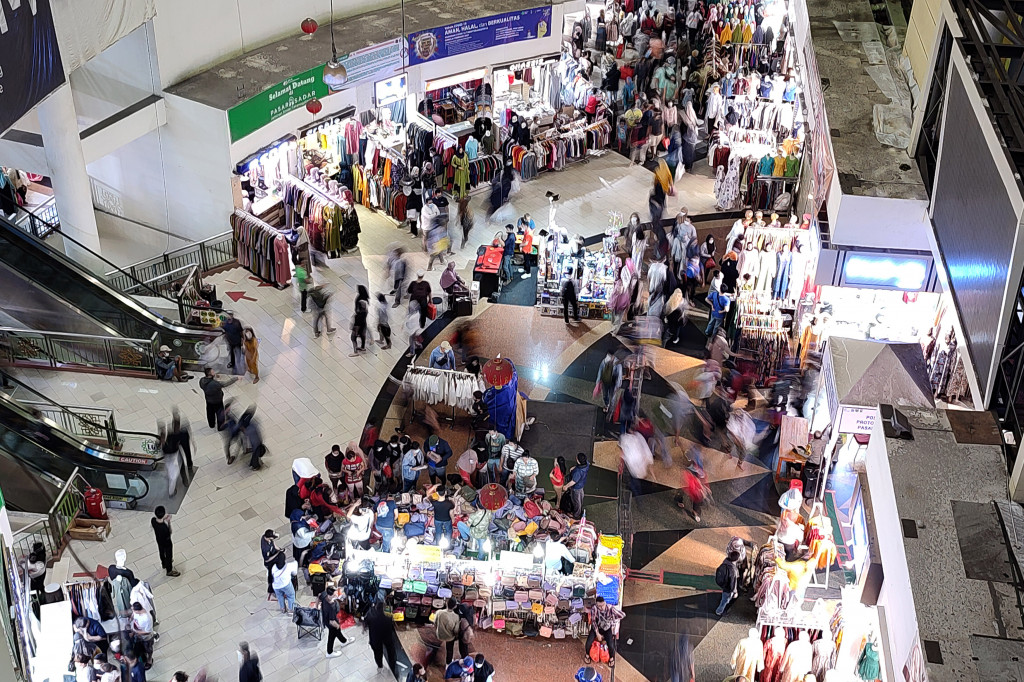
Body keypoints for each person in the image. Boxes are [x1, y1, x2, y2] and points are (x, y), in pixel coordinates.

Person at [585, 597, 624, 666]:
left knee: (611, 645)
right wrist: (597, 633)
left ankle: (611, 658)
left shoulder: (610, 608)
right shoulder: (595, 608)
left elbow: (622, 615)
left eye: (603, 605)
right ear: (596, 605)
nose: (601, 608)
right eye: (599, 606)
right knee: (588, 642)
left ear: (605, 603)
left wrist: (613, 620)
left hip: (607, 628)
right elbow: (593, 622)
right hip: (597, 627)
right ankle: (587, 655)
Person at [364, 600, 397, 674]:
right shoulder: (388, 610)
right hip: (387, 635)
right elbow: (392, 620)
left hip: (375, 637)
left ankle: (380, 665)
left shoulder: (371, 613)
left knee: (377, 652)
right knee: (391, 652)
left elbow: (365, 623)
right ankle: (392, 667)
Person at [320, 586, 349, 657]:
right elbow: (332, 621)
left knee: (337, 633)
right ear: (331, 595)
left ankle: (344, 641)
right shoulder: (331, 606)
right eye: (335, 593)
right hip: (332, 623)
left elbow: (318, 596)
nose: (336, 594)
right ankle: (329, 652)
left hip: (325, 618)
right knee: (332, 636)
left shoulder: (324, 595)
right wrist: (337, 626)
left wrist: (317, 606)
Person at [151, 506, 179, 577]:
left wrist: (163, 519)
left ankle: (163, 563)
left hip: (159, 541)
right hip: (167, 543)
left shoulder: (153, 520)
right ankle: (169, 570)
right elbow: (170, 532)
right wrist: (169, 522)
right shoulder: (164, 527)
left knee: (161, 552)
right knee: (169, 555)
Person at [563, 453, 590, 517]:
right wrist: (575, 467)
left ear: (578, 461)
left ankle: (576, 514)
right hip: (581, 484)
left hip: (576, 488)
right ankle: (579, 509)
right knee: (581, 497)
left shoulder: (578, 472)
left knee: (576, 501)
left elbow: (573, 481)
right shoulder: (586, 464)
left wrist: (566, 486)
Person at [435, 598, 461, 665]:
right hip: (450, 637)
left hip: (439, 634)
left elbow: (435, 623)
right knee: (450, 649)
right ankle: (448, 663)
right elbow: (456, 631)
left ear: (446, 603)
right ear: (455, 606)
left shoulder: (439, 612)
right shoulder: (456, 617)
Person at [715, 550, 740, 616]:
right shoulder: (732, 569)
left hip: (724, 584)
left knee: (724, 598)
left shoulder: (725, 562)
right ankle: (719, 611)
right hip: (728, 588)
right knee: (725, 600)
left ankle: (720, 609)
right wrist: (734, 592)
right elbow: (733, 582)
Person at [350, 285, 370, 356]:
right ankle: (362, 347)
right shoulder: (365, 299)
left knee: (353, 337)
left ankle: (355, 352)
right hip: (363, 321)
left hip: (358, 321)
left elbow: (359, 310)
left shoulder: (360, 300)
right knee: (362, 334)